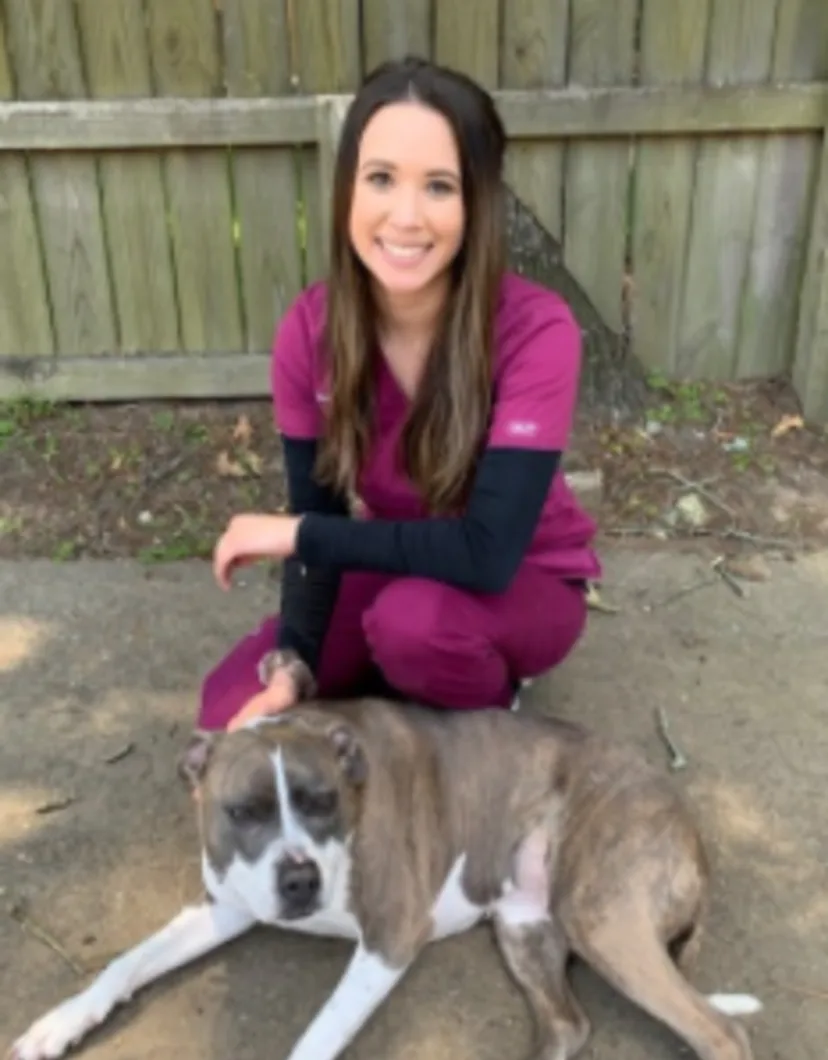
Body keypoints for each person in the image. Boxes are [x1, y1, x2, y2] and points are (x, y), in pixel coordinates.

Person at [200, 55, 601, 732]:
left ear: (478, 203)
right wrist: (295, 661)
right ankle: (388, 682)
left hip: (521, 579)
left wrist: (297, 534)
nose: (406, 216)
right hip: (399, 560)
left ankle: (495, 718)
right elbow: (320, 515)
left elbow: (487, 551)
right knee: (231, 711)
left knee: (415, 630)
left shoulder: (538, 331)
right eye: (381, 178)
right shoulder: (310, 333)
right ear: (348, 190)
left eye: (440, 186)